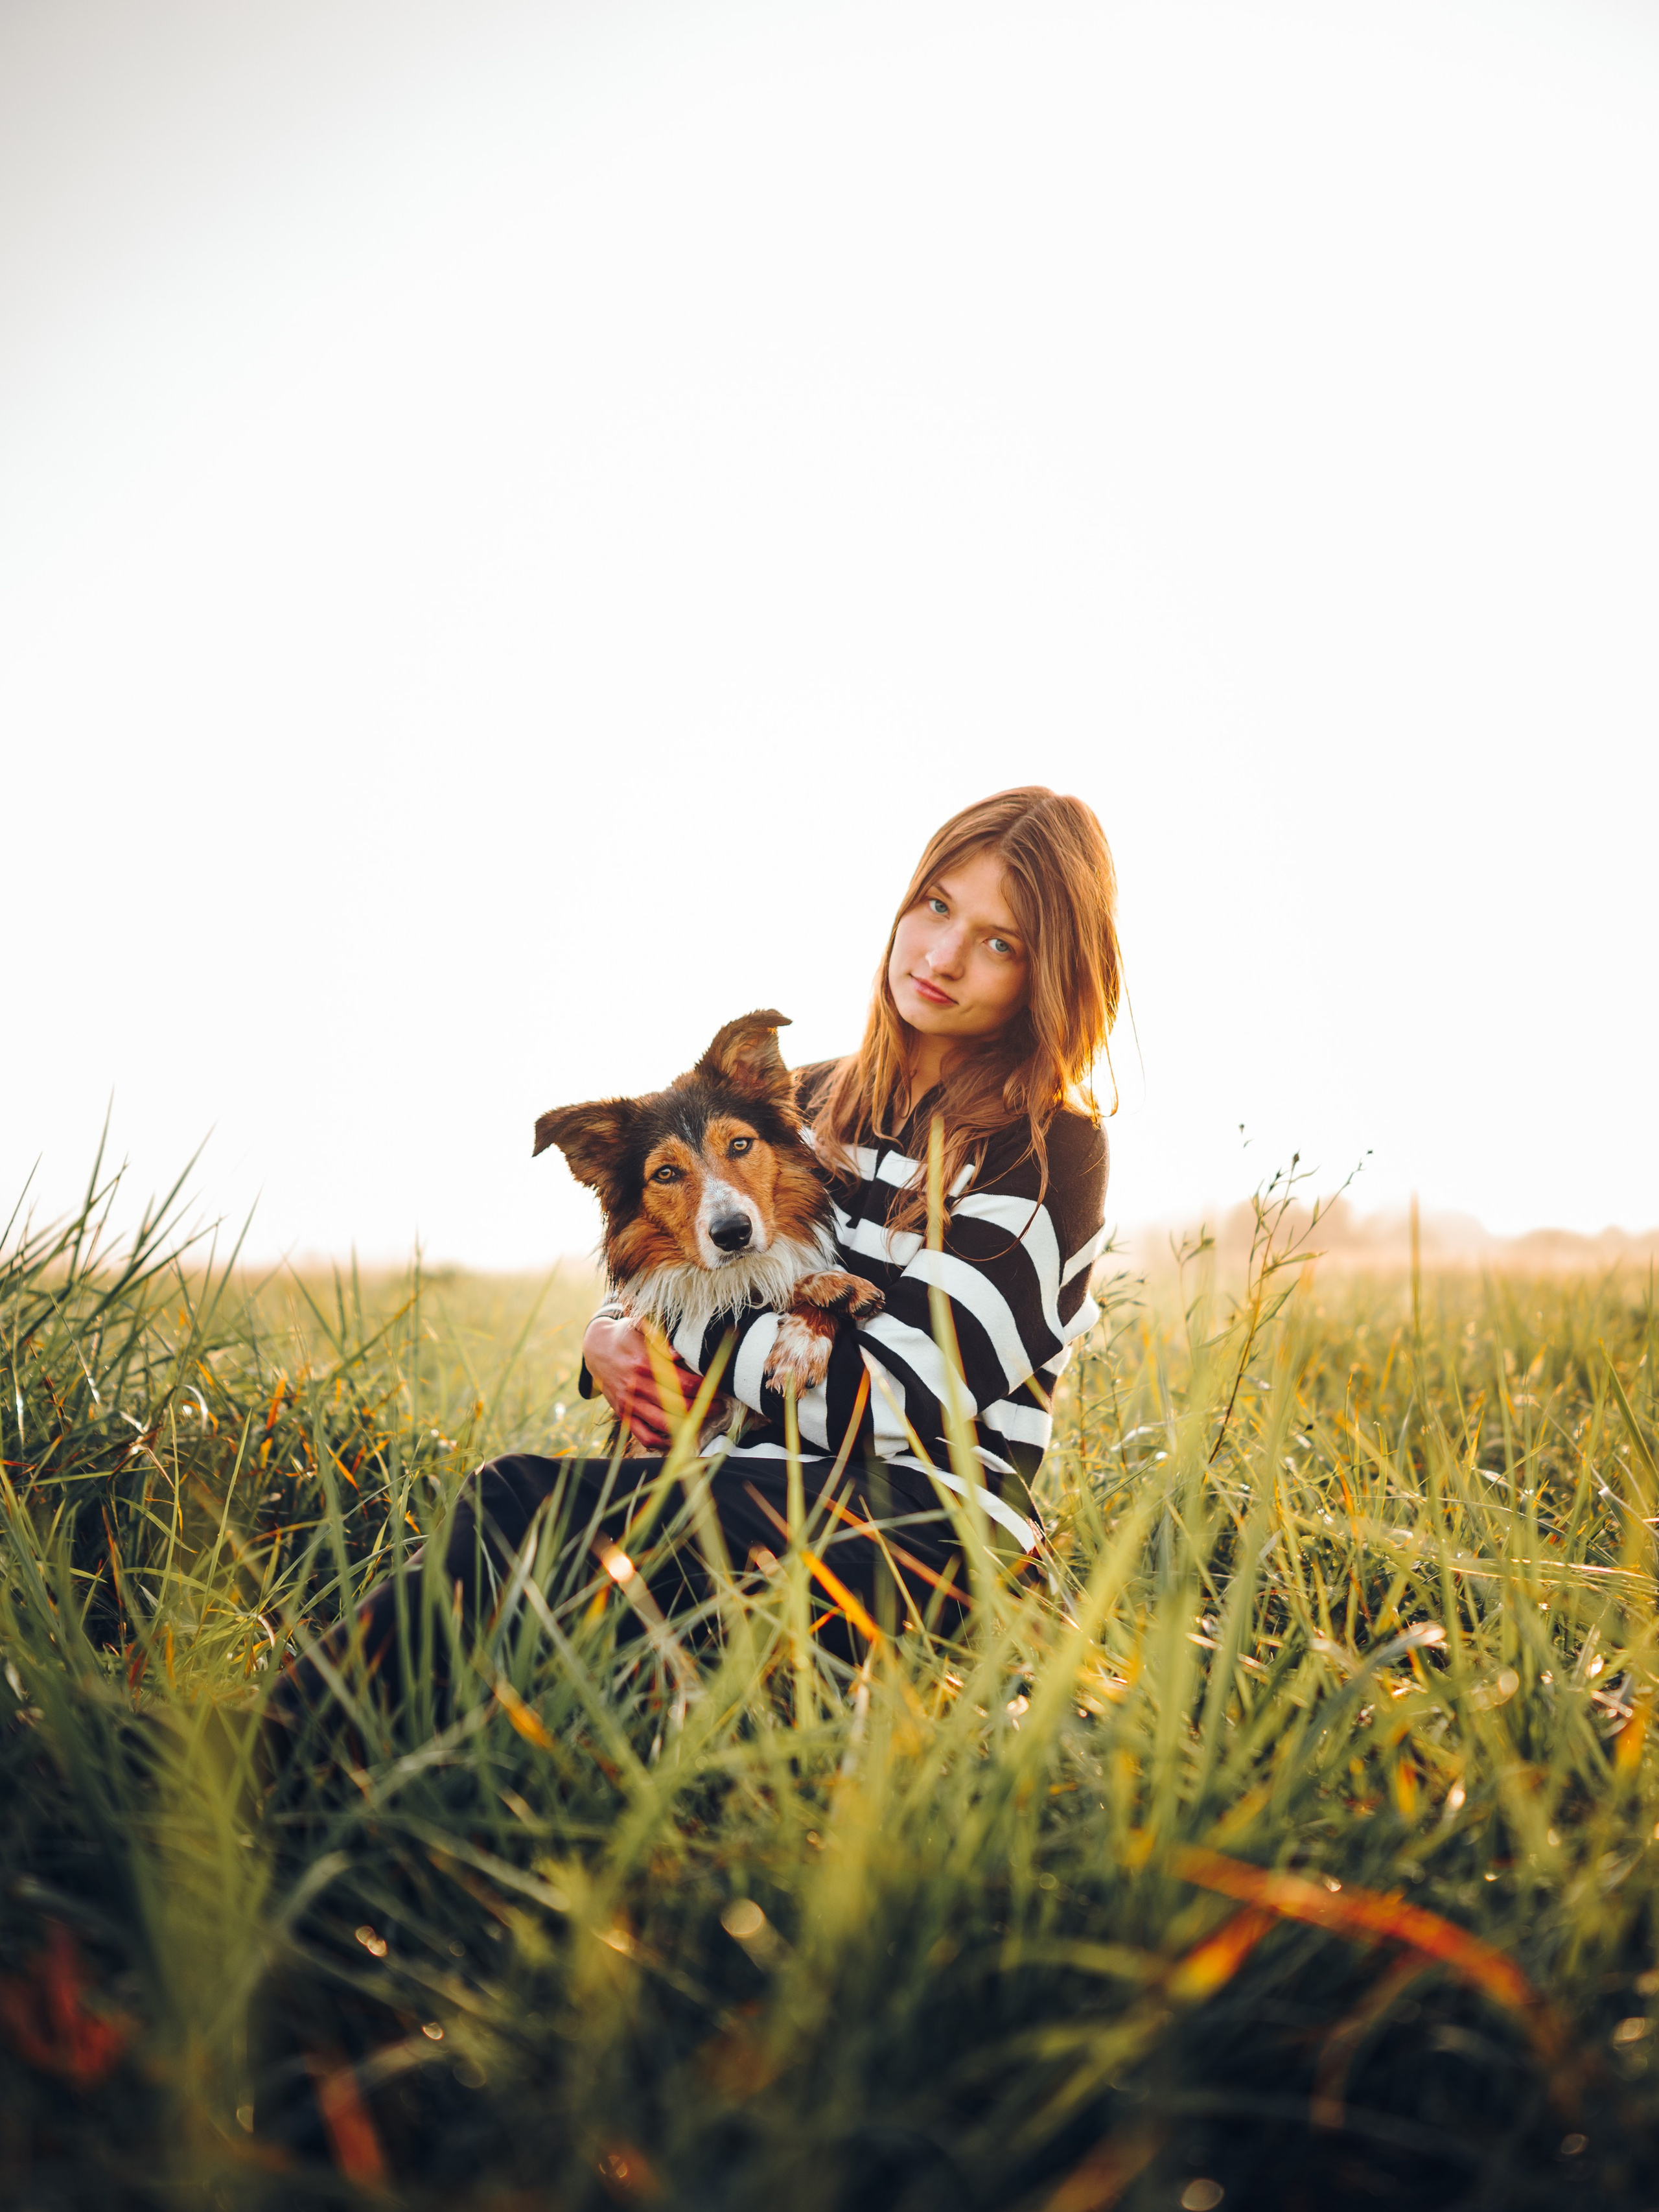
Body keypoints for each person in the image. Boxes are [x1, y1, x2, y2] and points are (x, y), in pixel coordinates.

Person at [291, 786, 1121, 1711]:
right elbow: (679, 1244)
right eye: (936, 905)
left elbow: (888, 1404)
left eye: (999, 941)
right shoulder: (800, 1099)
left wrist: (670, 1329)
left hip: (933, 1529)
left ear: (1049, 973)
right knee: (550, 1605)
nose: (943, 955)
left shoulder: (1047, 1148)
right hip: (758, 1483)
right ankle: (339, 1755)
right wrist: (612, 1325)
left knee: (523, 1505)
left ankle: (272, 1750)